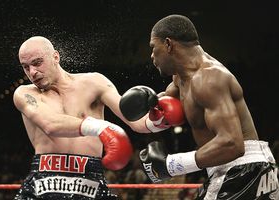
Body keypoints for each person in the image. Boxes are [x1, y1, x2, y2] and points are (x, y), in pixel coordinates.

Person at [119, 15, 279, 199]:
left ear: (169, 44)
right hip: (236, 169)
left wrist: (173, 165)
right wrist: (150, 107)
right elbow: (163, 104)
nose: (152, 55)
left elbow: (232, 144)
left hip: (242, 168)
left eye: (153, 48)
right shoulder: (181, 79)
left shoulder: (208, 79)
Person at [12, 36, 152, 199]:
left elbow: (138, 122)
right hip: (44, 181)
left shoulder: (94, 83)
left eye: (37, 63)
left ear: (55, 57)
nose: (32, 72)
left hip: (90, 180)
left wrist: (158, 119)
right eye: (25, 67)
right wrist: (102, 128)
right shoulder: (25, 93)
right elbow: (50, 124)